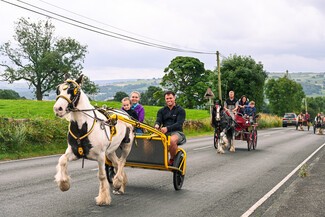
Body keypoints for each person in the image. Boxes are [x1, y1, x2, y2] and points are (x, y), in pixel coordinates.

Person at [154, 91, 186, 166]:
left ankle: (172, 159)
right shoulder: (161, 111)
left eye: (170, 98)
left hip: (177, 132)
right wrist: (157, 125)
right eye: (167, 98)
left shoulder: (181, 110)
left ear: (174, 98)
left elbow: (179, 124)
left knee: (171, 140)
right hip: (164, 132)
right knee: (150, 139)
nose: (169, 100)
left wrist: (167, 128)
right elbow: (158, 120)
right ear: (165, 99)